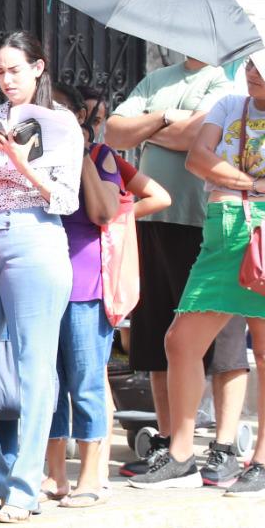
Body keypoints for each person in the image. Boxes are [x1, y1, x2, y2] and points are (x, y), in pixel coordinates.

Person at [131, 38, 265, 495]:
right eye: (251, 63)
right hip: (222, 230)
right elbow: (199, 159)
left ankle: (264, 461)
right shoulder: (229, 104)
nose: (254, 72)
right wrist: (253, 184)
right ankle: (181, 455)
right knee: (181, 340)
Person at [0, 32, 82, 524]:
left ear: (38, 68)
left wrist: (23, 163)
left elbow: (66, 200)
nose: (5, 80)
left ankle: (25, 488)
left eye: (14, 70)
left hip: (35, 238)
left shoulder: (60, 122)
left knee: (34, 367)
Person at [104, 53, 246, 483]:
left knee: (223, 343)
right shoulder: (157, 80)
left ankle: (223, 446)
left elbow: (197, 137)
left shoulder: (226, 85)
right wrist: (167, 118)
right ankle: (168, 442)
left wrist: (148, 131)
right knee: (157, 336)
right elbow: (114, 131)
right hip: (153, 222)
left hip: (207, 224)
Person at [45, 83, 169, 506]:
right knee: (50, 382)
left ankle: (91, 477)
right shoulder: (36, 155)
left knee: (86, 381)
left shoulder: (101, 157)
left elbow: (104, 212)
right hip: (42, 280)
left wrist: (81, 154)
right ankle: (55, 475)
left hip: (84, 284)